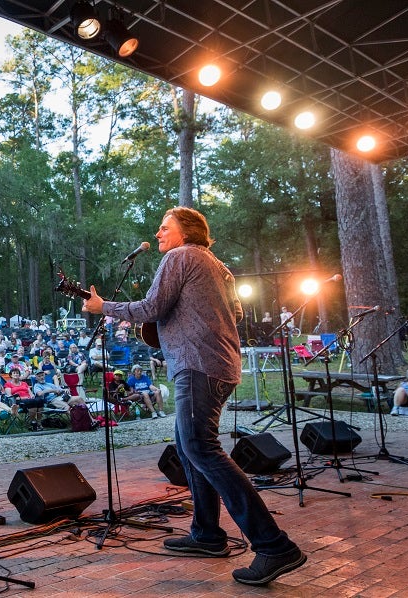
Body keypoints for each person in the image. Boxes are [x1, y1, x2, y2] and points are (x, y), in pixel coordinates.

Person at [83, 206, 305, 585]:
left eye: (164, 227)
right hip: (220, 365)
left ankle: (274, 545)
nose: (157, 234)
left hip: (197, 365)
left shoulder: (179, 256)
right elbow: (231, 314)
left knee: (201, 448)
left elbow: (152, 307)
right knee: (189, 449)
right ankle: (207, 534)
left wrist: (105, 307)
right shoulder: (220, 267)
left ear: (185, 232)